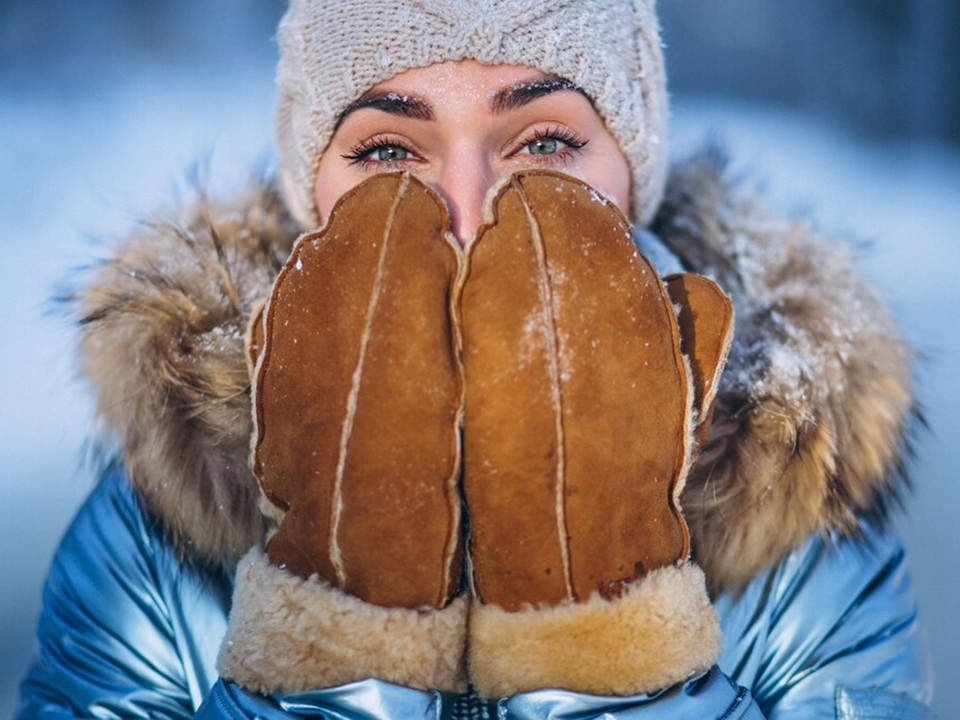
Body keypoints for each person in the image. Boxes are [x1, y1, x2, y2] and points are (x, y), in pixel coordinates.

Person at [15, 1, 934, 718]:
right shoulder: (159, 534)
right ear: (313, 191)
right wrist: (329, 650)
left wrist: (608, 648)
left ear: (628, 172)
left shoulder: (794, 529)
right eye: (387, 150)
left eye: (544, 142)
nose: (466, 214)